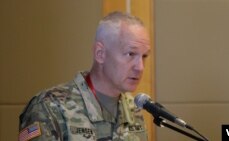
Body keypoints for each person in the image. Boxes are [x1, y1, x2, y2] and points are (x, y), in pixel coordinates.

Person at [19, 11, 151, 141]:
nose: (140, 67)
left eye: (144, 56)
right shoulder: (49, 107)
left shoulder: (133, 109)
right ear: (100, 54)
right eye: (131, 54)